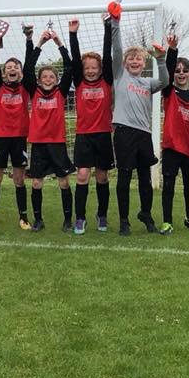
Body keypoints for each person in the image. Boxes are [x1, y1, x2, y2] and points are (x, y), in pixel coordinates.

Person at [110, 16, 168, 236]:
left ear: (144, 64)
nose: (135, 62)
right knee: (124, 176)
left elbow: (164, 82)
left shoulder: (147, 83)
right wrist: (115, 24)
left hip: (144, 135)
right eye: (131, 59)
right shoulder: (120, 76)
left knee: (145, 177)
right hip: (124, 133)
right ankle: (124, 221)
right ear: (125, 63)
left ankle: (146, 214)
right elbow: (117, 50)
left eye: (139, 60)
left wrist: (161, 60)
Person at [0, 26, 35, 230]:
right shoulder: (0, 86)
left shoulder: (26, 87)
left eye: (16, 67)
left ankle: (23, 217)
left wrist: (29, 40)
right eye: (9, 67)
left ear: (21, 73)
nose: (12, 69)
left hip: (19, 138)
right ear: (5, 73)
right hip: (1, 138)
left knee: (19, 180)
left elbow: (31, 64)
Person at [24, 29, 74, 232]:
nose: (48, 78)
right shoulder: (33, 91)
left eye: (51, 76)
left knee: (63, 181)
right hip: (38, 144)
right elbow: (27, 68)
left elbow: (70, 67)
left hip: (57, 143)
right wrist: (39, 44)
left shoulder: (61, 92)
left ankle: (68, 220)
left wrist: (59, 43)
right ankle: (38, 220)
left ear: (56, 79)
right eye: (44, 76)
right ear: (39, 79)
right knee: (36, 182)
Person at [68, 16, 114, 234]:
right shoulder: (79, 82)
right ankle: (80, 218)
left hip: (103, 135)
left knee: (102, 176)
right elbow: (75, 60)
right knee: (83, 175)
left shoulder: (107, 81)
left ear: (100, 68)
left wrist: (107, 27)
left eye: (95, 67)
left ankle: (102, 215)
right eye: (88, 67)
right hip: (84, 136)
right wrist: (73, 34)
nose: (91, 70)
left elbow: (107, 53)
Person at [159, 35, 189, 235]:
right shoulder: (169, 91)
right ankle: (167, 222)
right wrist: (173, 49)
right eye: (177, 71)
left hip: (188, 149)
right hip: (171, 146)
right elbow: (169, 69)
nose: (180, 74)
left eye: (184, 71)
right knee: (168, 185)